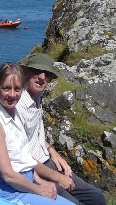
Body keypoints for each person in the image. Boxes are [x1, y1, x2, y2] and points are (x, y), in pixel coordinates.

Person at [0, 62, 75, 205]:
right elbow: (8, 175)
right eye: (6, 88)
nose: (12, 94)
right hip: (7, 193)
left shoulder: (13, 112)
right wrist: (39, 190)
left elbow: (23, 160)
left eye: (17, 89)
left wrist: (41, 182)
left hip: (24, 185)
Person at [18, 53, 108, 205]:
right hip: (35, 170)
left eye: (47, 74)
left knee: (97, 197)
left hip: (48, 160)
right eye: (36, 72)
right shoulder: (19, 106)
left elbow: (34, 135)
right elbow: (20, 156)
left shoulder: (37, 97)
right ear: (26, 73)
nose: (41, 77)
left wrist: (53, 151)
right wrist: (57, 177)